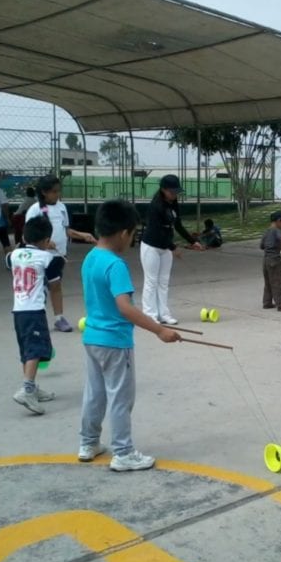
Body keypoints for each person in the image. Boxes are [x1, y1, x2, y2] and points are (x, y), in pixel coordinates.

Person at [78, 199, 180, 471]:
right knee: (121, 398)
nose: (132, 238)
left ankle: (88, 443)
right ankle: (123, 452)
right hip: (115, 342)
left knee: (95, 394)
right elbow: (125, 308)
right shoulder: (116, 265)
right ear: (124, 232)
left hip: (92, 338)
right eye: (133, 233)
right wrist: (160, 330)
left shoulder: (90, 258)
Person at [6, 216, 64, 415]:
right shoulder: (47, 259)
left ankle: (32, 386)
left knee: (27, 350)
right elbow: (55, 282)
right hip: (34, 310)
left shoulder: (13, 255)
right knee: (36, 350)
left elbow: (9, 261)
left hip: (18, 311)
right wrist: (53, 251)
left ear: (24, 236)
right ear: (47, 240)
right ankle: (27, 389)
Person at [25, 175, 96, 332]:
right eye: (54, 191)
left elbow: (66, 230)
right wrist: (43, 241)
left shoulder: (62, 208)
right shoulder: (35, 209)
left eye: (58, 191)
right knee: (38, 288)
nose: (57, 194)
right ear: (44, 192)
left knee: (55, 285)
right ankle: (33, 318)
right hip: (40, 256)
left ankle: (59, 318)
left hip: (58, 256)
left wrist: (82, 235)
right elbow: (28, 235)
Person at [139, 174, 204, 325]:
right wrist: (173, 247)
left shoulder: (173, 203)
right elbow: (156, 231)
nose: (174, 195)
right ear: (163, 190)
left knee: (163, 281)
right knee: (151, 281)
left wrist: (193, 241)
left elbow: (178, 225)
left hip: (165, 246)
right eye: (172, 192)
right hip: (151, 246)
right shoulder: (156, 206)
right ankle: (149, 314)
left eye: (176, 192)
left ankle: (164, 313)